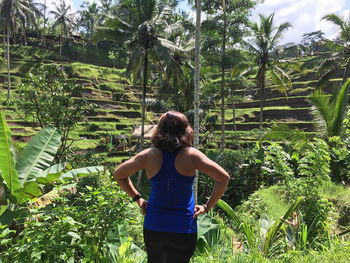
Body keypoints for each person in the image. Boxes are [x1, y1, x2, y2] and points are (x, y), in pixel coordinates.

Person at [113, 111, 230, 263]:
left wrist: (138, 199)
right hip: (183, 228)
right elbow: (223, 178)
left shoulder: (149, 155)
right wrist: (207, 207)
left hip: (154, 227)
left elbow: (118, 174)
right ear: (186, 131)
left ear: (159, 130)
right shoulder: (191, 155)